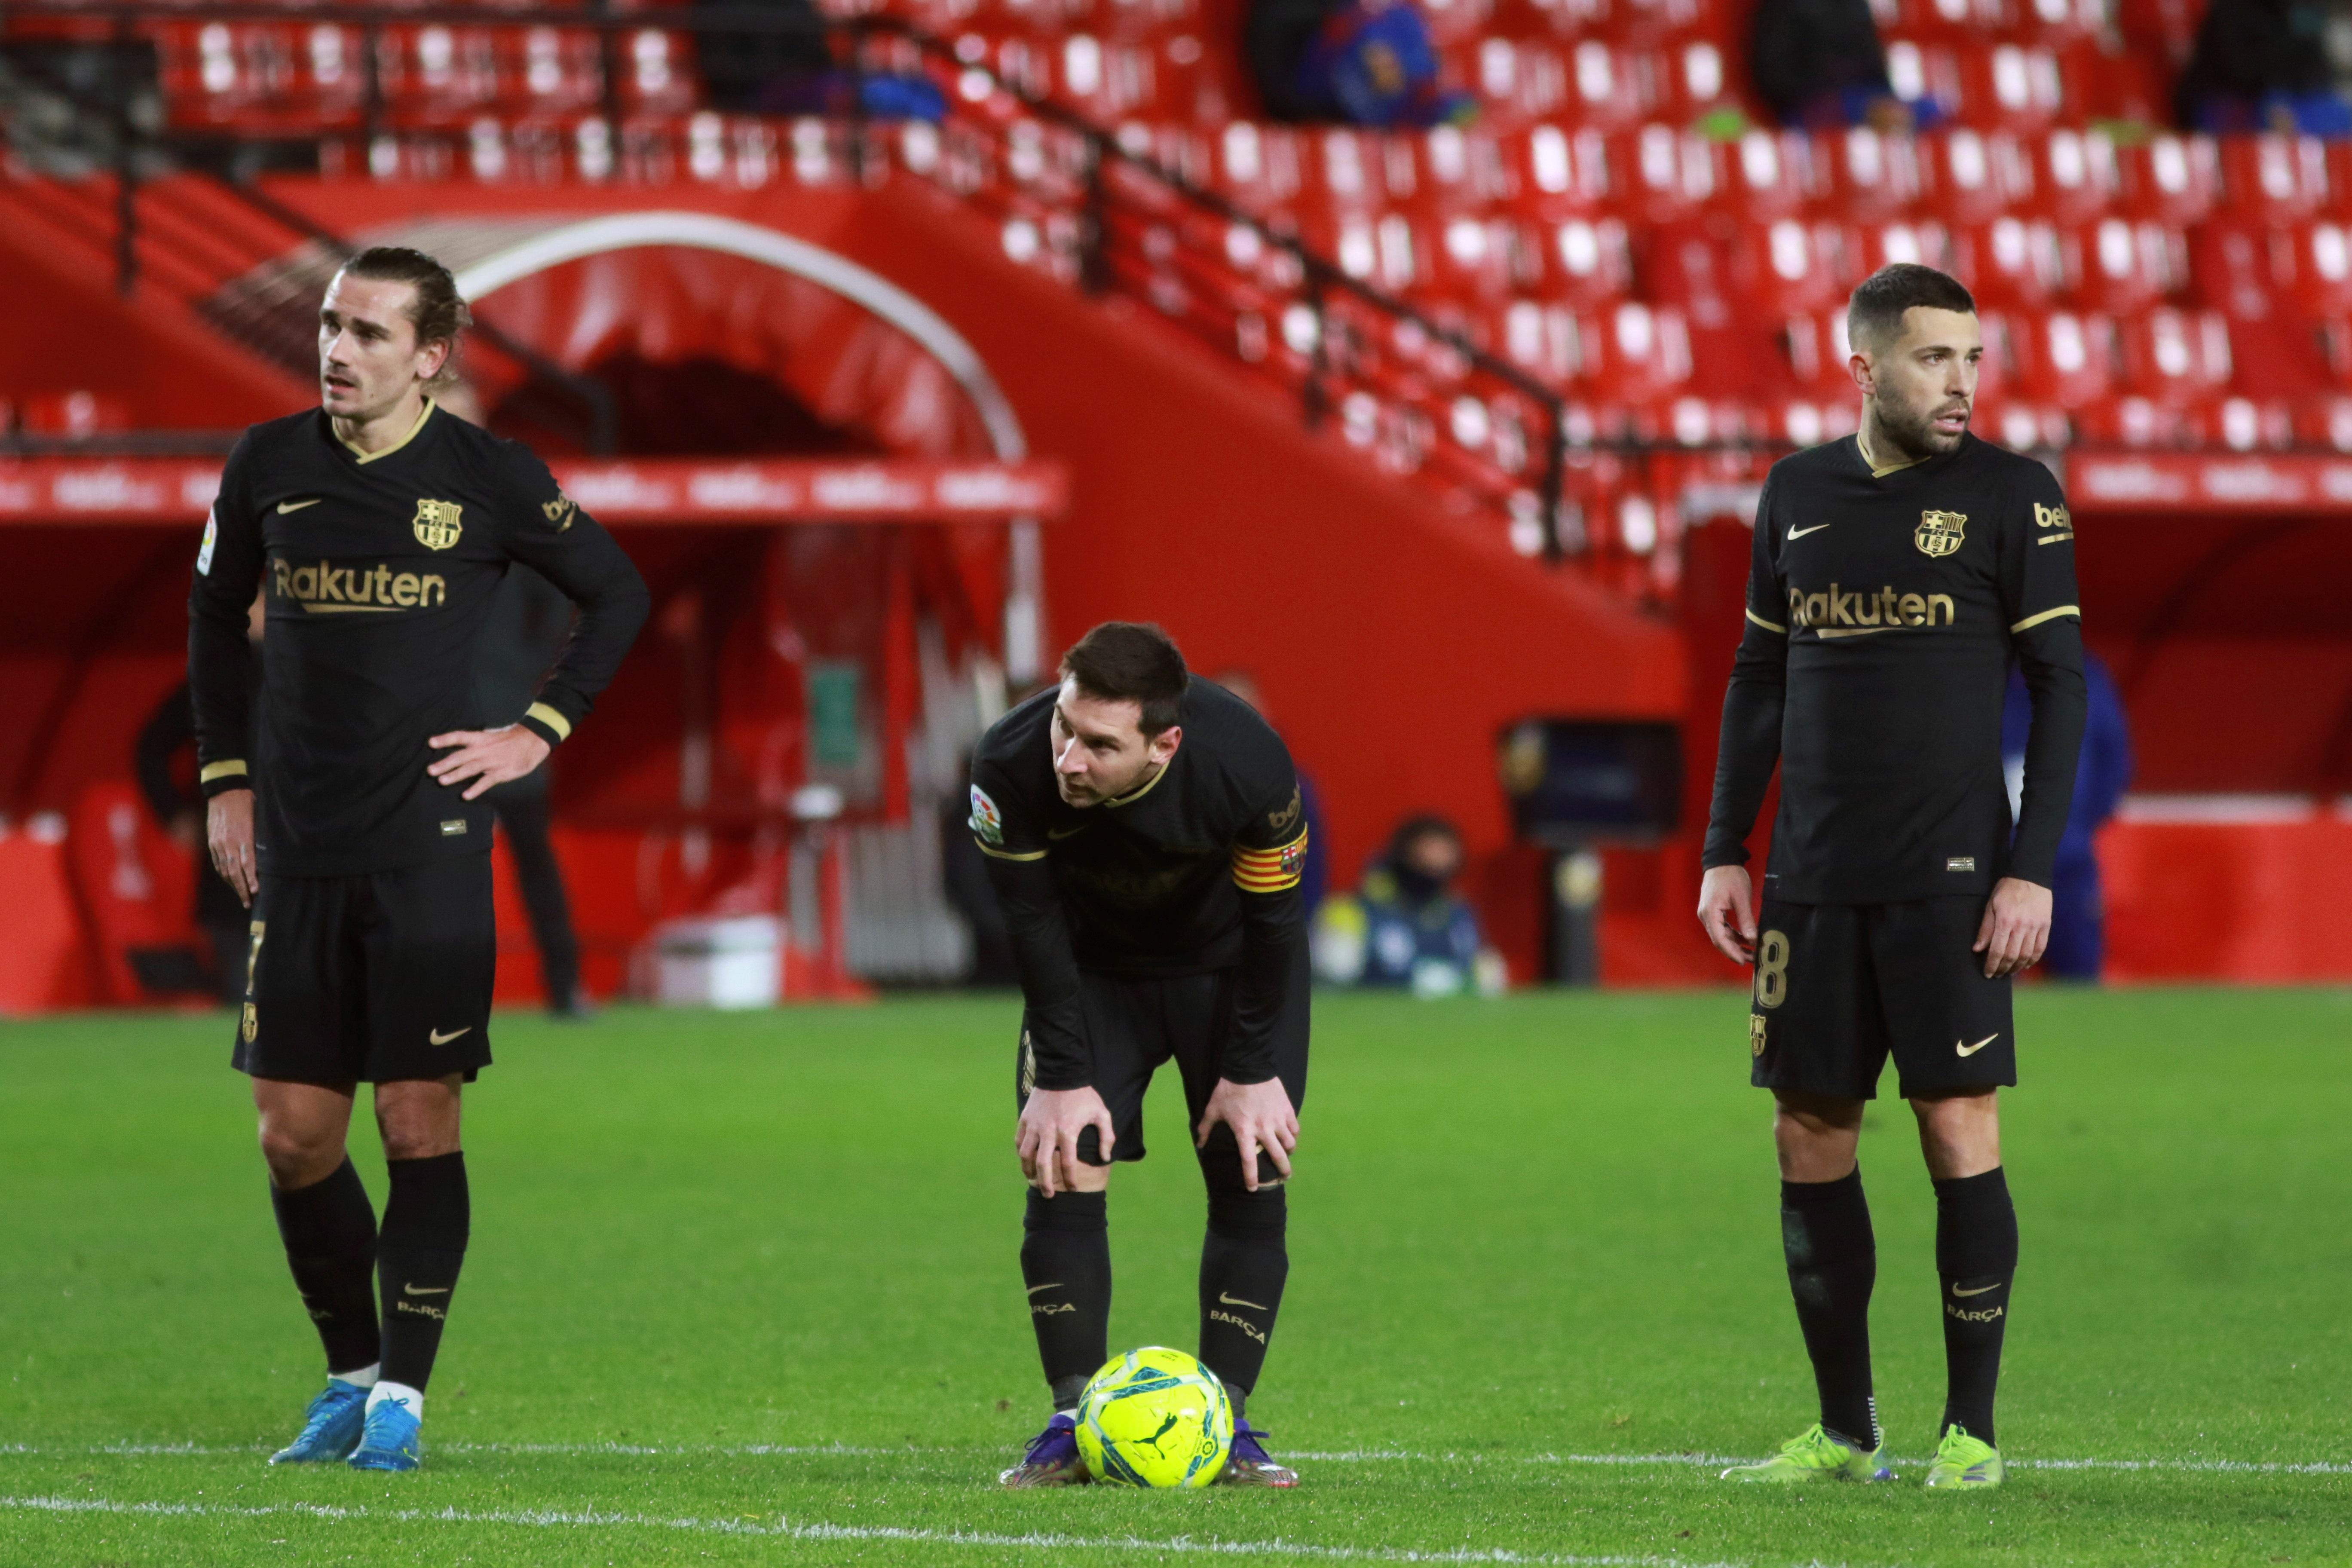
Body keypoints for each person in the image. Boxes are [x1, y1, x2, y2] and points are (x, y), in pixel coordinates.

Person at [188, 245, 648, 1472]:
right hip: (297, 842)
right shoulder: (266, 465)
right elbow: (212, 625)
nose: (337, 350)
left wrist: (536, 732)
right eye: (332, 326)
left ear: (430, 358)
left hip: (429, 843)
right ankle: (347, 1369)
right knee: (293, 1134)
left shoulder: (488, 478)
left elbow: (618, 593)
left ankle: (405, 1391)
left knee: (416, 1118)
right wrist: (226, 782)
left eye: (369, 334)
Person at [1696, 263, 2086, 1492]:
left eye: (1973, 359)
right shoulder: (1796, 493)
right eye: (1935, 359)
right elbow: (1758, 679)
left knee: (1955, 1126)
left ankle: (1970, 1432)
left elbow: (2061, 689)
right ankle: (1846, 1430)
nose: (1962, 383)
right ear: (1863, 367)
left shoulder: (2014, 497)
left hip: (1953, 878)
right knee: (1807, 1136)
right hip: (1811, 879)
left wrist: (2031, 872)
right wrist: (1724, 844)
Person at [973, 623, 1310, 1488]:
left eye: (1098, 745)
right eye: (1063, 727)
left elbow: (1275, 926)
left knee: (1250, 1167)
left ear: (1167, 744)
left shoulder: (1251, 767)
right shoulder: (1008, 766)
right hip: (1091, 977)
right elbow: (1032, 927)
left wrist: (1252, 1067)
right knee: (1064, 1164)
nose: (1068, 761)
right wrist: (1059, 1077)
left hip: (1227, 974)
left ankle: (1226, 1425)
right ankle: (1069, 1420)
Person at [471, 561, 593, 1017]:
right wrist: (534, 659)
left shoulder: (499, 540)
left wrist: (528, 661)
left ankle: (565, 985)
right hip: (481, 714)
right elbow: (562, 599)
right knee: (533, 864)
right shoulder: (511, 539)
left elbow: (562, 598)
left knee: (527, 861)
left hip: (492, 715)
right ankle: (566, 988)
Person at [136, 595, 263, 1004]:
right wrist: (174, 813)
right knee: (238, 981)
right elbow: (152, 747)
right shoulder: (214, 678)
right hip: (231, 858)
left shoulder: (312, 676)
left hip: (297, 855)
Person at [2002, 649, 2131, 981]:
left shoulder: (2085, 675)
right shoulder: (1971, 671)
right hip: (1988, 862)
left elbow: (2114, 765)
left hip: (2067, 863)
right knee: (1988, 990)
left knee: (2079, 982)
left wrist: (2071, 828)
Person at [1314, 815, 1503, 995]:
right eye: (1429, 850)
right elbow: (1334, 978)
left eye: (1445, 852)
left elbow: (1487, 977)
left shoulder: (1460, 915)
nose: (1436, 861)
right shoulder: (1355, 911)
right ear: (1404, 853)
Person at [1749, 0, 1940, 133]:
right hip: (1813, 101)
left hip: (1864, 95)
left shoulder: (1855, 5)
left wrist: (1886, 100)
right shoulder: (1782, 8)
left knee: (1933, 109)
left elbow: (1874, 63)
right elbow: (1775, 74)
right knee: (1880, 114)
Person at [2174, 0, 2351, 138]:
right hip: (2227, 100)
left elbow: (2316, 65)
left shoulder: (2307, 9)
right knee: (2276, 115)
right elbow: (2241, 71)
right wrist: (2277, 99)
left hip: (2288, 98)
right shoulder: (2235, 8)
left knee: (2342, 117)